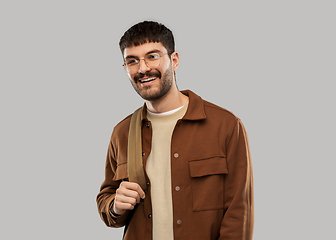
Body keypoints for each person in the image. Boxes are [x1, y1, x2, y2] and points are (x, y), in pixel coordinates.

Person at [96, 21, 254, 240]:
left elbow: (239, 213)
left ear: (174, 60)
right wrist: (115, 206)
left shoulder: (225, 125)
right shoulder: (122, 132)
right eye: (132, 61)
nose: (142, 69)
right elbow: (107, 199)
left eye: (152, 56)